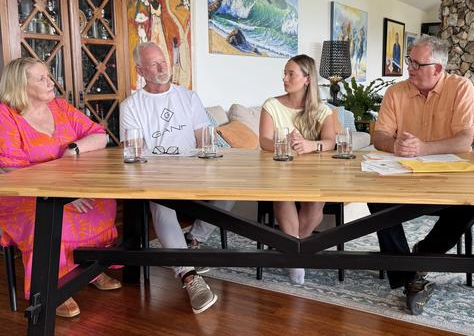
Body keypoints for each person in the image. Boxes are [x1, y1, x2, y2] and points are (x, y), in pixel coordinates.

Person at [371, 35, 474, 315]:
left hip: (450, 179)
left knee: (471, 208)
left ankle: (417, 258)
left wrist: (424, 148)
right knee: (375, 197)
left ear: (438, 69)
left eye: (416, 64)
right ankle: (409, 277)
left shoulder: (460, 87)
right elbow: (380, 135)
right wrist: (393, 144)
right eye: (409, 61)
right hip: (403, 177)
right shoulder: (396, 92)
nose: (409, 68)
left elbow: (464, 141)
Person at [0, 57, 121, 318]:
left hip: (68, 187)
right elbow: (12, 170)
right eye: (41, 78)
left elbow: (98, 135)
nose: (50, 82)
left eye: (48, 76)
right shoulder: (6, 115)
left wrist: (74, 148)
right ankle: (51, 288)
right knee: (49, 219)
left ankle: (90, 268)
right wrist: (62, 196)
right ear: (21, 85)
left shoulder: (59, 107)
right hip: (24, 193)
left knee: (104, 202)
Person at [120, 42, 235, 314]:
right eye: (154, 64)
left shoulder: (189, 97)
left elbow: (203, 141)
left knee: (232, 191)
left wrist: (206, 164)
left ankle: (194, 240)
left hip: (193, 170)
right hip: (156, 175)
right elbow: (135, 154)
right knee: (161, 206)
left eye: (164, 62)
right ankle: (189, 276)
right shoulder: (131, 106)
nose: (162, 68)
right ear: (140, 70)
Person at [258, 54, 336, 284]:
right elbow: (264, 141)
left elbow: (331, 141)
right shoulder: (271, 105)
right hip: (280, 171)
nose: (284, 78)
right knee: (282, 195)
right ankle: (298, 258)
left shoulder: (323, 111)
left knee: (315, 200)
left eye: (291, 74)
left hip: (313, 174)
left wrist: (310, 145)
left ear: (307, 79)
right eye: (285, 73)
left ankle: (293, 251)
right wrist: (287, 146)